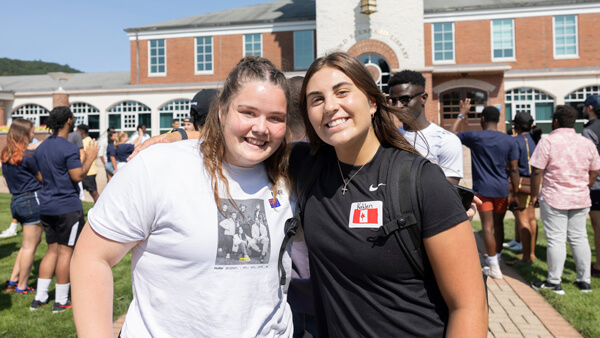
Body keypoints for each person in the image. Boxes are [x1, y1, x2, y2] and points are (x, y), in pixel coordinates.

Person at [130, 53, 488, 336]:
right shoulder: (306, 165)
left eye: (342, 92)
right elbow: (245, 138)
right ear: (308, 115)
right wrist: (174, 137)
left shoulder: (419, 180)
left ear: (374, 102)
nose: (330, 106)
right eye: (317, 99)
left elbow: (469, 306)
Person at [70, 56, 294, 336]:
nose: (261, 127)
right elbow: (92, 257)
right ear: (222, 110)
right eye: (248, 112)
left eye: (275, 118)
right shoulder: (158, 167)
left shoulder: (292, 174)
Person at [32, 106, 98, 312]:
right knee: (65, 253)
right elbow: (78, 176)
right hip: (67, 207)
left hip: (47, 205)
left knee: (51, 250)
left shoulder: (41, 147)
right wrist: (90, 157)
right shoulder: (68, 147)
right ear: (69, 120)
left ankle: (40, 297)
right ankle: (61, 300)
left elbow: (39, 176)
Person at [530, 105, 600, 294]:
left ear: (555, 122)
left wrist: (534, 195)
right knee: (579, 237)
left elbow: (537, 170)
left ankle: (554, 282)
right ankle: (584, 281)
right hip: (580, 197)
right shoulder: (585, 142)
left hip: (554, 197)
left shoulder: (548, 142)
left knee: (556, 239)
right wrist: (586, 185)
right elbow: (595, 169)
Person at [451, 105, 520, 280]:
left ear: (482, 119)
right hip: (502, 189)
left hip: (484, 189)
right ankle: (496, 256)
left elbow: (451, 136)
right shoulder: (509, 140)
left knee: (487, 227)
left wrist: (461, 115)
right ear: (498, 120)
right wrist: (516, 193)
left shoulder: (476, 136)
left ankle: (494, 266)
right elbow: (514, 169)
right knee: (499, 225)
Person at [388, 70, 464, 184]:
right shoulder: (389, 138)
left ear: (423, 98)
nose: (398, 106)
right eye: (393, 101)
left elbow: (448, 192)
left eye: (405, 99)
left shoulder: (446, 141)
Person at [1, 118, 43, 294]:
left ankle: (13, 280)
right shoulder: (28, 157)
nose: (33, 135)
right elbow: (42, 178)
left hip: (16, 201)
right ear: (25, 134)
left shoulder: (6, 155)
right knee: (30, 246)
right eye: (32, 131)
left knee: (27, 244)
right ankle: (22, 286)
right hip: (31, 200)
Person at [506, 112, 538, 266]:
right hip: (534, 183)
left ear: (516, 126)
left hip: (520, 184)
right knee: (532, 219)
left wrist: (515, 192)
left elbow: (513, 167)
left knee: (522, 220)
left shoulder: (515, 141)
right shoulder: (535, 139)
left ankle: (525, 259)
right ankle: (531, 253)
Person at [581, 94, 600, 276]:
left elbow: (590, 162)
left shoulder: (589, 131)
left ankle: (599, 265)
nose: (583, 109)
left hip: (596, 187)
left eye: (585, 107)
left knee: (598, 227)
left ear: (591, 108)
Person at [77, 124, 99, 203]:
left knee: (94, 193)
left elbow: (85, 155)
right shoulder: (83, 141)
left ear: (81, 131)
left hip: (89, 172)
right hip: (85, 171)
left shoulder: (87, 141)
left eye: (77, 131)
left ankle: (99, 208)